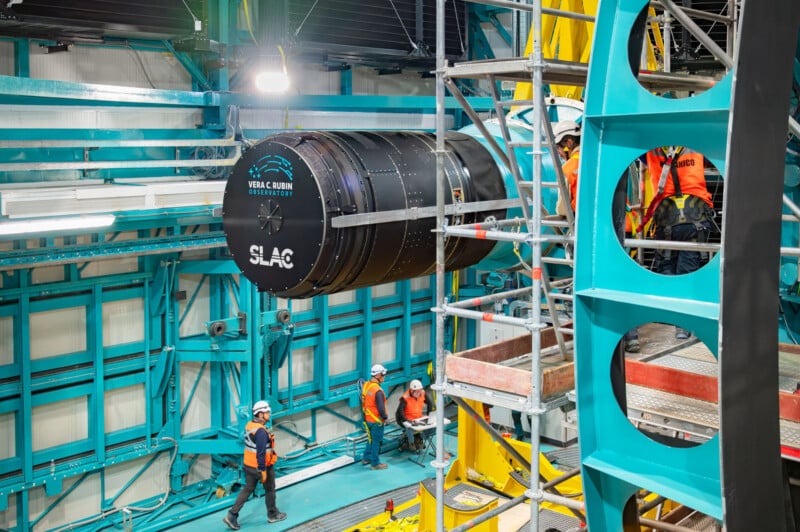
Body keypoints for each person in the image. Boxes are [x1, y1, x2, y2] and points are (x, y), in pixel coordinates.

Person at [643, 146, 716, 339]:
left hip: (667, 217)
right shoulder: (696, 145)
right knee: (688, 271)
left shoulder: (651, 150)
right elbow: (711, 160)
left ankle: (670, 314)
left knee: (667, 267)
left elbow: (641, 160)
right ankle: (683, 324)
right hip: (695, 218)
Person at [224, 400, 286, 530]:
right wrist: (263, 470)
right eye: (267, 412)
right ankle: (273, 514)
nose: (269, 414)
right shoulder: (261, 432)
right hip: (261, 467)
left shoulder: (250, 425)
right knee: (270, 489)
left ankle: (232, 515)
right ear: (260, 414)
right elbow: (261, 453)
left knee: (248, 488)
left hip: (249, 465)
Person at [361, 363, 389, 470]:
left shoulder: (366, 385)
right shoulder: (378, 391)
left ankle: (366, 458)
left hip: (367, 418)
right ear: (377, 375)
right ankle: (375, 463)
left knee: (370, 439)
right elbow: (381, 408)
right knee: (376, 442)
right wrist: (385, 418)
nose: (384, 376)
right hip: (377, 420)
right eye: (383, 374)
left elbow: (364, 401)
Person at [395, 379, 434, 451]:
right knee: (409, 428)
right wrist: (406, 421)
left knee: (431, 427)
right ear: (412, 390)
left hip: (417, 419)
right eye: (417, 391)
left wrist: (429, 415)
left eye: (420, 391)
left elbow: (430, 404)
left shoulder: (422, 393)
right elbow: (400, 411)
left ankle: (421, 439)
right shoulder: (405, 398)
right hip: (406, 419)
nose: (419, 393)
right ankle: (411, 443)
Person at [553, 120, 582, 217]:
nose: (558, 152)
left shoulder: (568, 168)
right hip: (623, 223)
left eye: (558, 147)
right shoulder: (597, 159)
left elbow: (562, 210)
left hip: (588, 224)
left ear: (569, 143)